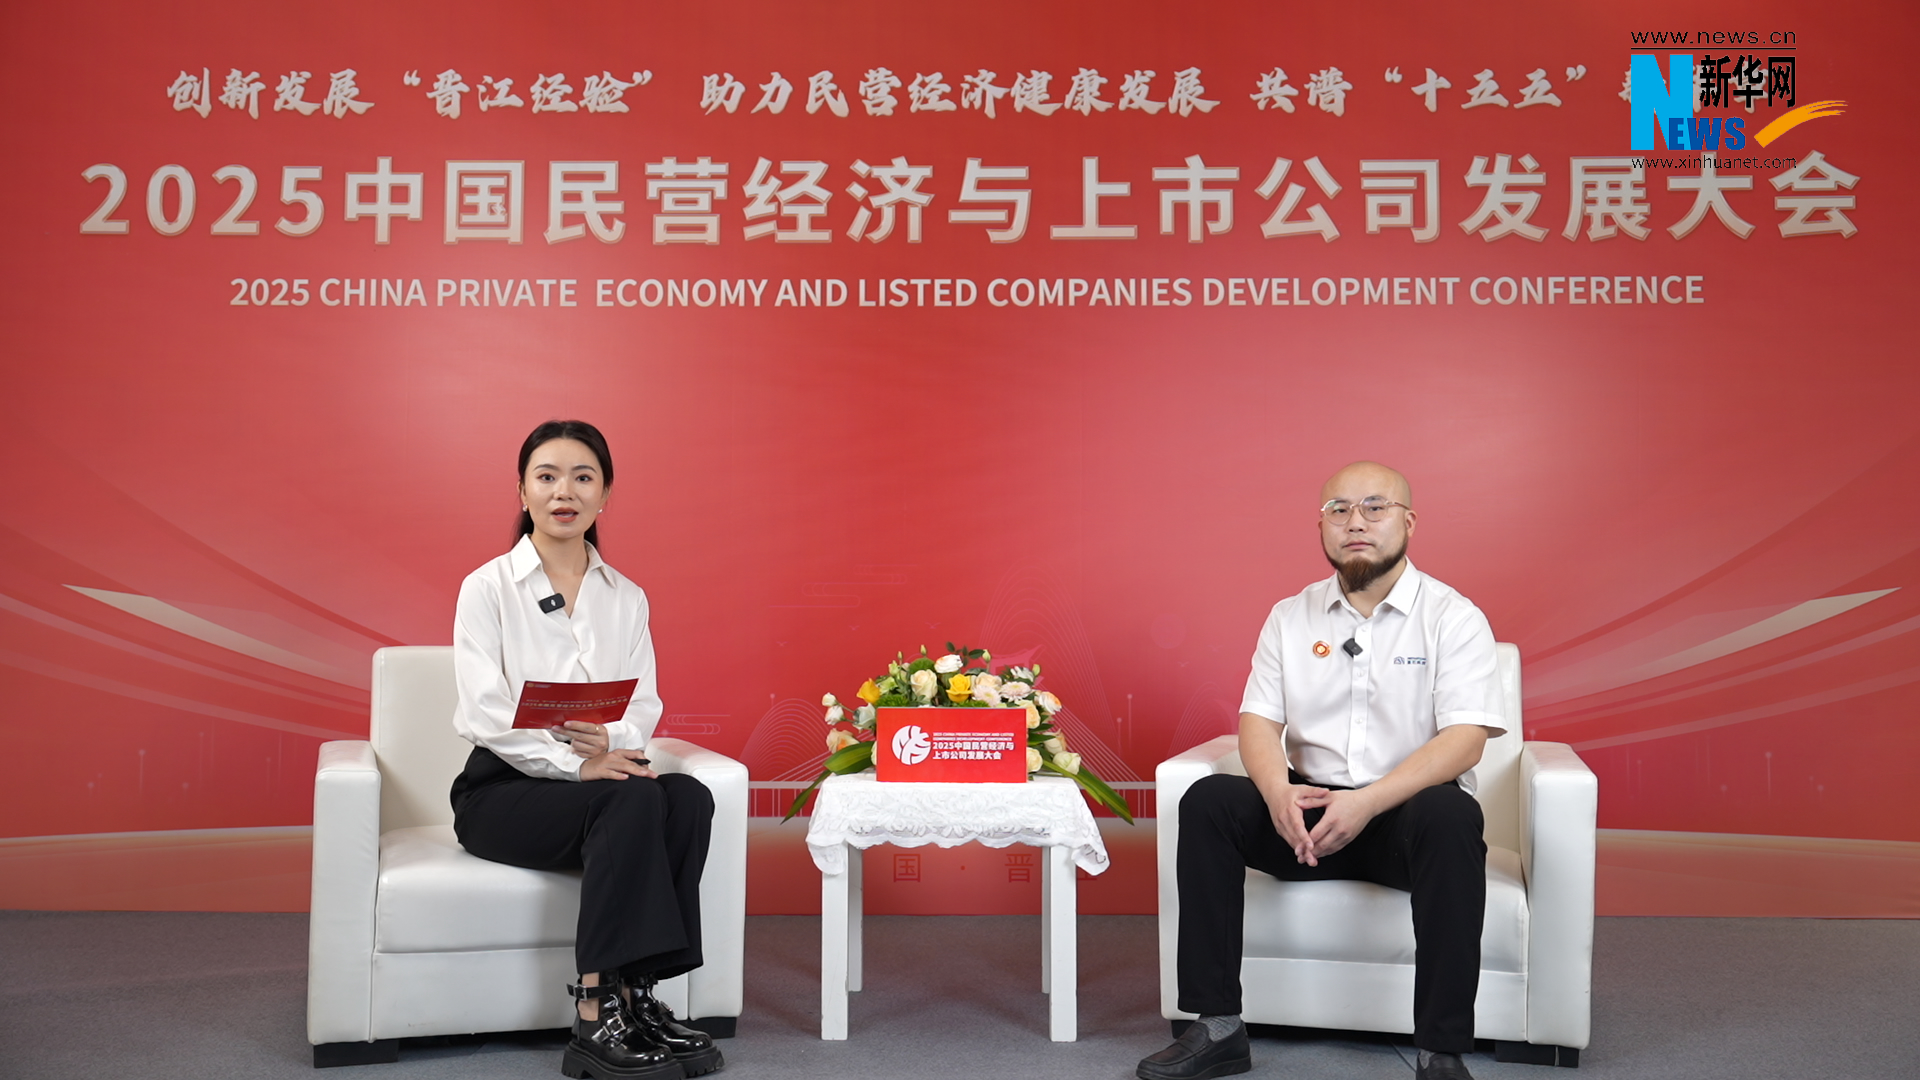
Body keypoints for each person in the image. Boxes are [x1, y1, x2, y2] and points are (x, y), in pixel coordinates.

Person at [1138, 462, 1504, 1080]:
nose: (1355, 522)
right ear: (1322, 526)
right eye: (1338, 510)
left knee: (1450, 812)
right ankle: (1218, 1027)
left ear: (1409, 523)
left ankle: (1440, 1051)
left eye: (1374, 507)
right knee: (1208, 801)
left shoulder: (1453, 616)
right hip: (1307, 817)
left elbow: (1466, 741)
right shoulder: (1291, 616)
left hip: (1404, 821)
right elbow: (1258, 722)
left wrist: (1368, 802)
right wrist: (1277, 793)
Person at [450, 419, 723, 1080]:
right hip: (501, 791)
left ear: (605, 495)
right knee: (631, 801)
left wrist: (613, 739)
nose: (563, 492)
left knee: (687, 796)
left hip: (595, 785)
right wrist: (579, 765)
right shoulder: (487, 587)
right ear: (522, 492)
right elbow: (485, 714)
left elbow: (644, 704)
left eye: (582, 477)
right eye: (546, 477)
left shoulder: (626, 596)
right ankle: (595, 1014)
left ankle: (639, 998)